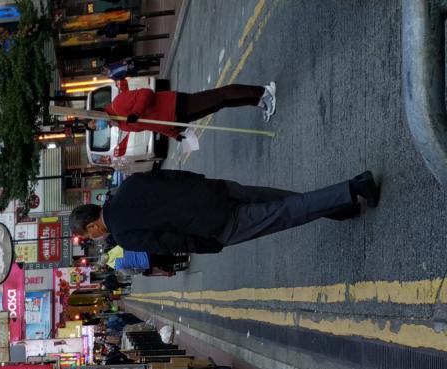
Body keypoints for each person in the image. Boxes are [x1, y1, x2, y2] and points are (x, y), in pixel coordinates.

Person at [71, 168, 382, 255]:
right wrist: (204, 183)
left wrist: (209, 245)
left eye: (89, 236)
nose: (94, 239)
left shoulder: (125, 235)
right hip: (217, 191)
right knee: (280, 199)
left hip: (218, 225)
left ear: (91, 227)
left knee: (285, 213)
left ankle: (353, 187)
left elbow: (171, 242)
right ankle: (340, 206)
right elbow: (175, 175)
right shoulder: (129, 185)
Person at [94, 80, 278, 159]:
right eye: (95, 127)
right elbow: (153, 126)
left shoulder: (118, 105)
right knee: (218, 104)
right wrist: (175, 135)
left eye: (94, 121)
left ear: (98, 113)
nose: (98, 125)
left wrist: (136, 112)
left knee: (218, 96)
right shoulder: (122, 125)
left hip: (174, 104)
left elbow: (146, 94)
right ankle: (257, 101)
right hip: (175, 119)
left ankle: (263, 91)